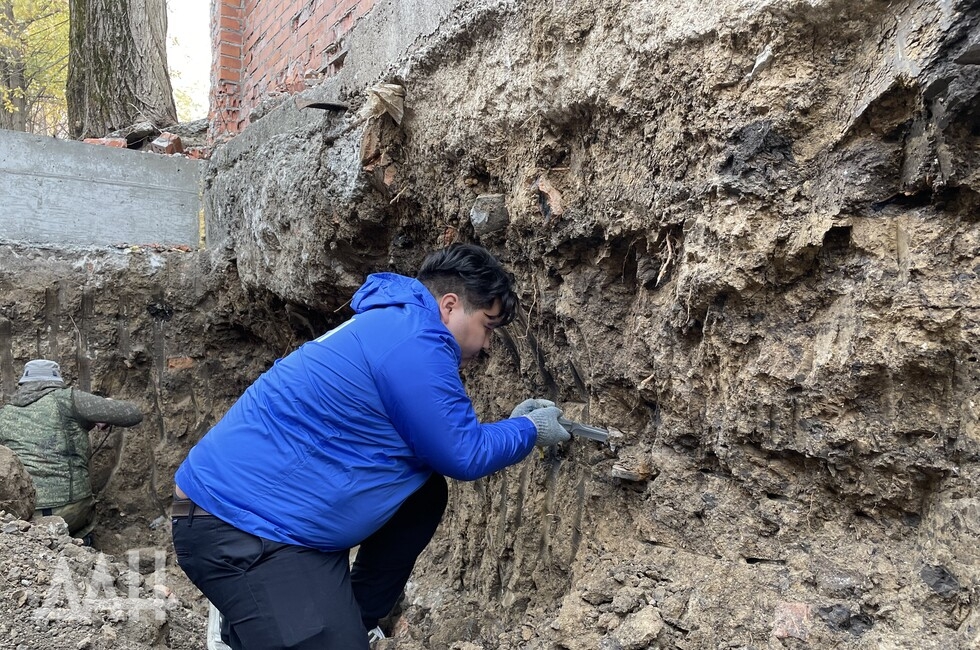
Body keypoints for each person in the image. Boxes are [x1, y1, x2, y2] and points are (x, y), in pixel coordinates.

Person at [171, 243, 570, 649]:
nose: (487, 344)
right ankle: (272, 623)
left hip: (272, 522)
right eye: (487, 325)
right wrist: (529, 429)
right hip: (240, 530)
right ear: (449, 306)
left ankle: (344, 618)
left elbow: (442, 437)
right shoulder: (415, 338)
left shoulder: (394, 324)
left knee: (422, 493)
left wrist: (516, 425)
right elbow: (462, 453)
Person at [0, 359, 143, 538]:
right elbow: (133, 414)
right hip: (71, 510)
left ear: (23, 383)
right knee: (81, 531)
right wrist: (100, 410)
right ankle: (82, 548)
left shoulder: (5, 412)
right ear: (56, 380)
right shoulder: (69, 398)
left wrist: (84, 422)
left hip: (24, 513)